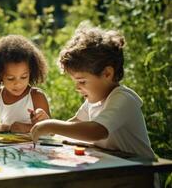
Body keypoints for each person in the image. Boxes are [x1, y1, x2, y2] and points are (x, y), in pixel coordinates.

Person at [30, 23, 156, 161]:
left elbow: (96, 131)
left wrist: (52, 125)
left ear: (107, 73)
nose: (77, 88)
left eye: (82, 81)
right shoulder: (94, 101)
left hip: (139, 175)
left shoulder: (123, 98)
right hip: (114, 168)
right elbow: (75, 125)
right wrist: (50, 129)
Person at [0, 35, 50, 133]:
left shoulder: (36, 96)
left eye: (24, 77)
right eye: (10, 78)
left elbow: (51, 130)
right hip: (5, 147)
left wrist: (29, 127)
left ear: (31, 72)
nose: (18, 83)